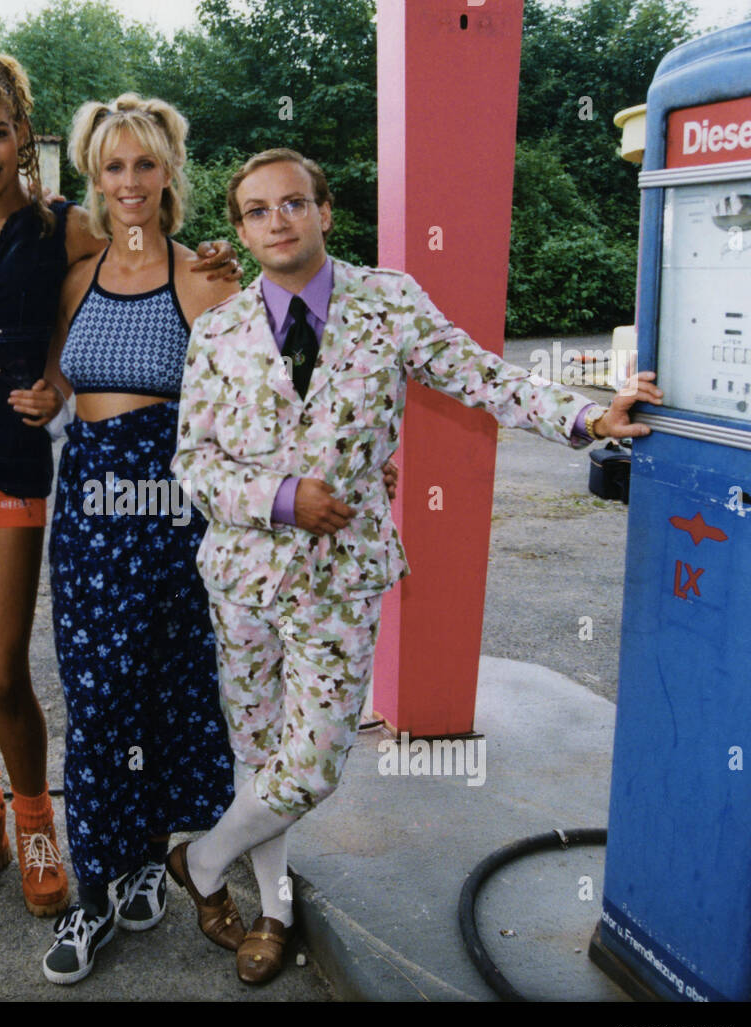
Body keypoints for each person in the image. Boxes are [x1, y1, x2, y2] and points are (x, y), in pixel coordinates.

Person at [169, 147, 662, 985]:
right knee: (258, 748)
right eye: (257, 209)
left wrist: (585, 414)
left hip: (343, 576)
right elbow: (194, 461)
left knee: (314, 760)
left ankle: (204, 861)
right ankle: (276, 903)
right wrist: (285, 497)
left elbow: (482, 377)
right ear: (242, 228)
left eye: (294, 202)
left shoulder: (387, 302)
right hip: (242, 575)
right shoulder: (217, 328)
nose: (277, 219)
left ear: (326, 211)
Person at [0, 56, 239, 918]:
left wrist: (51, 383)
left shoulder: (61, 228)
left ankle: (41, 822)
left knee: (6, 666)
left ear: (25, 137)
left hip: (13, 466)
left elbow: (122, 269)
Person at [28, 94, 239, 983]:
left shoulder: (204, 278)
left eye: (144, 164)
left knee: (166, 688)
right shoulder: (75, 278)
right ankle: (93, 889)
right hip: (86, 514)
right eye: (112, 166)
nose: (128, 182)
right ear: (94, 174)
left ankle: (153, 853)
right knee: (97, 697)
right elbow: (57, 388)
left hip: (166, 510)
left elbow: (254, 390)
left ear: (168, 173)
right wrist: (44, 400)